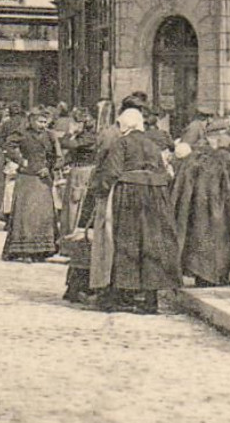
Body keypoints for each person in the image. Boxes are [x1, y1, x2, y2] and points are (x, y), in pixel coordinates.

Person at [74, 108, 178, 313]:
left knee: (125, 243)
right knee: (151, 243)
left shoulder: (121, 143)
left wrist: (100, 192)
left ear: (128, 125)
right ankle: (150, 300)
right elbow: (164, 173)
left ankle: (120, 297)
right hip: (155, 196)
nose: (119, 129)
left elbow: (112, 171)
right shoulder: (152, 144)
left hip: (129, 195)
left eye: (121, 125)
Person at [172, 129, 230, 287]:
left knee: (198, 238)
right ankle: (214, 275)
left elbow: (180, 189)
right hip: (215, 207)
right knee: (215, 239)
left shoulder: (191, 160)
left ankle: (200, 273)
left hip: (195, 208)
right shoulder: (221, 159)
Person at [1, 109, 60, 262]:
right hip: (27, 178)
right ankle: (24, 250)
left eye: (45, 122)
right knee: (25, 214)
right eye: (39, 121)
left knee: (43, 215)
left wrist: (49, 168)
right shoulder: (22, 134)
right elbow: (8, 146)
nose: (42, 125)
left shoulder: (50, 136)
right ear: (31, 121)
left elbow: (57, 156)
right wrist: (21, 160)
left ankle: (42, 250)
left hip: (43, 179)